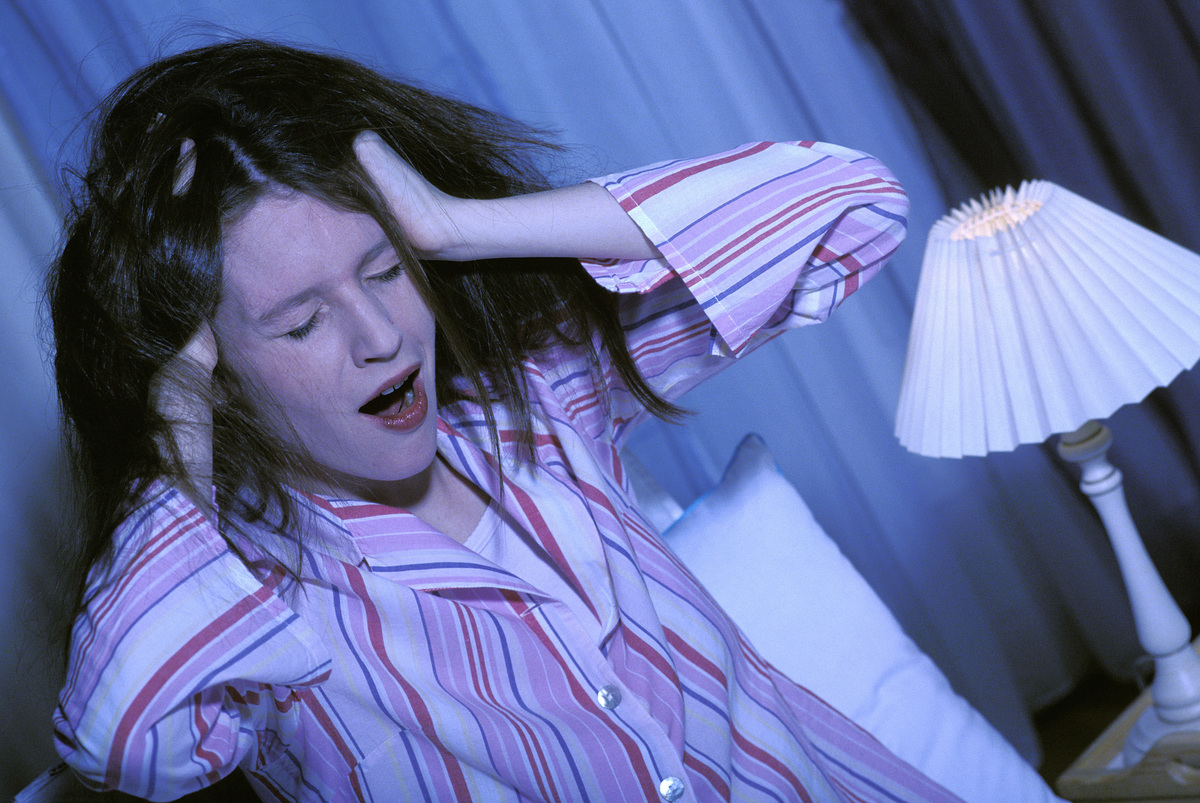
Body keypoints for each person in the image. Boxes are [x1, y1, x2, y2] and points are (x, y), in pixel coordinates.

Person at [48, 38, 954, 802]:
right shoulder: (255, 613)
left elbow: (851, 205)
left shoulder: (540, 402)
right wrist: (174, 415)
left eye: (385, 269)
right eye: (303, 322)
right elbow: (123, 739)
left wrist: (461, 227)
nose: (381, 335)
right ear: (217, 376)